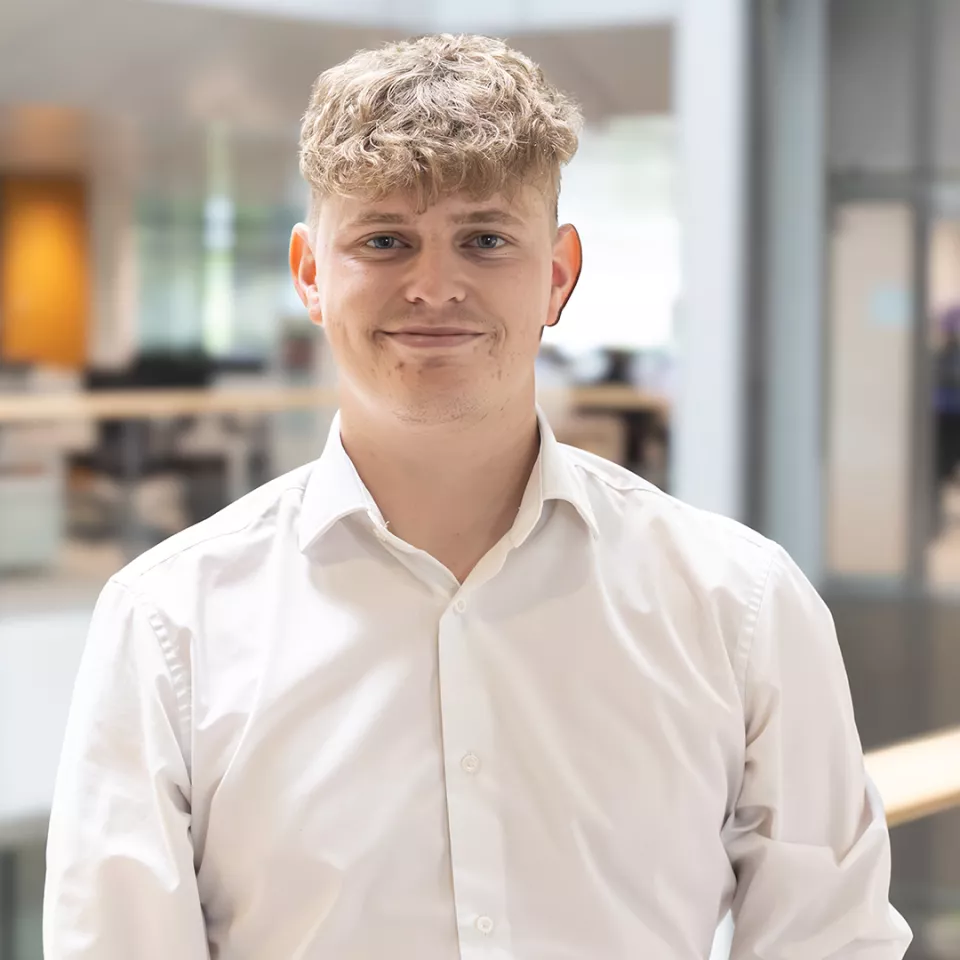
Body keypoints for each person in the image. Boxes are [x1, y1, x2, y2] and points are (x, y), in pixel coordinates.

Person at [44, 33, 911, 960]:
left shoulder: (740, 605)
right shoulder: (170, 623)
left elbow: (830, 941)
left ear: (559, 274)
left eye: (485, 239)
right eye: (384, 240)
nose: (434, 286)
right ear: (309, 274)